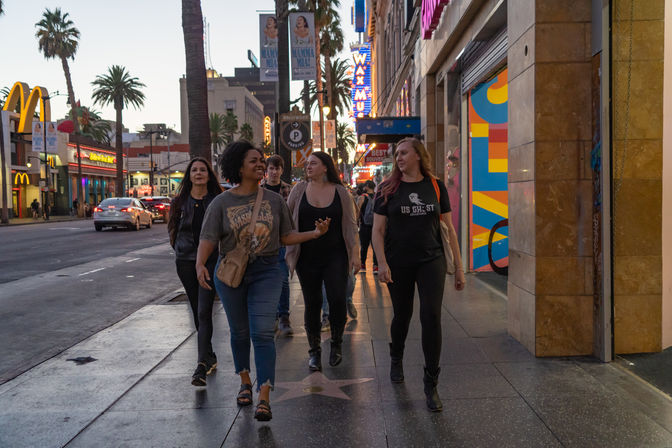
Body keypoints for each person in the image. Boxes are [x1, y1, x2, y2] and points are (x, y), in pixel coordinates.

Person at [196, 141, 330, 422]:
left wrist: (314, 235)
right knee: (240, 332)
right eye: (254, 161)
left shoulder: (274, 200)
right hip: (232, 271)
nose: (260, 165)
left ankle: (264, 395)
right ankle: (245, 381)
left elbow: (285, 236)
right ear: (238, 166)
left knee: (262, 332)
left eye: (261, 160)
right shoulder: (222, 202)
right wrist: (199, 264)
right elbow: (208, 238)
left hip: (268, 270)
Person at [371, 137, 466, 413]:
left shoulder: (435, 186)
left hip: (432, 260)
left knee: (431, 316)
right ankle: (396, 356)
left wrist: (459, 267)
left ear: (417, 155)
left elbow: (448, 229)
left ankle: (431, 383)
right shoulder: (386, 189)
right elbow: (377, 231)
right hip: (398, 262)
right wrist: (382, 263)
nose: (398, 158)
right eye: (396, 154)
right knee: (402, 315)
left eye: (403, 153)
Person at [286, 152, 360, 372]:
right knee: (312, 302)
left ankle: (336, 343)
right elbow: (287, 218)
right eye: (307, 163)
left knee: (337, 299)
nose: (308, 166)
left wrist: (355, 253)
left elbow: (350, 225)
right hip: (307, 256)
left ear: (326, 167)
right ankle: (314, 351)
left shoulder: (341, 192)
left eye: (313, 163)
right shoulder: (298, 191)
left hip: (335, 255)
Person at [167, 157, 222, 387]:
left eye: (203, 170)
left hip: (210, 262)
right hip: (186, 261)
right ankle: (208, 355)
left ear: (209, 175)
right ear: (189, 176)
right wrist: (181, 250)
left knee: (203, 310)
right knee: (196, 307)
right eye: (194, 170)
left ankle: (200, 365)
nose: (198, 173)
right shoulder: (179, 202)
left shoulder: (217, 201)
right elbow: (173, 230)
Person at [260, 155, 293, 336]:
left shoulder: (288, 189)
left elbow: (291, 215)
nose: (274, 172)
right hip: (263, 242)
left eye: (277, 168)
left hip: (281, 241)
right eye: (271, 168)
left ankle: (284, 316)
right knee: (266, 281)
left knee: (282, 280)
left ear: (281, 170)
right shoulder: (259, 190)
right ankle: (272, 316)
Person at [356, 180, 378, 273]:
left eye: (365, 186)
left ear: (367, 186)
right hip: (376, 226)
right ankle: (376, 266)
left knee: (364, 246)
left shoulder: (362, 197)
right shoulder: (378, 197)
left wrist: (356, 223)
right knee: (376, 246)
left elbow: (357, 211)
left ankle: (363, 265)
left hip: (365, 226)